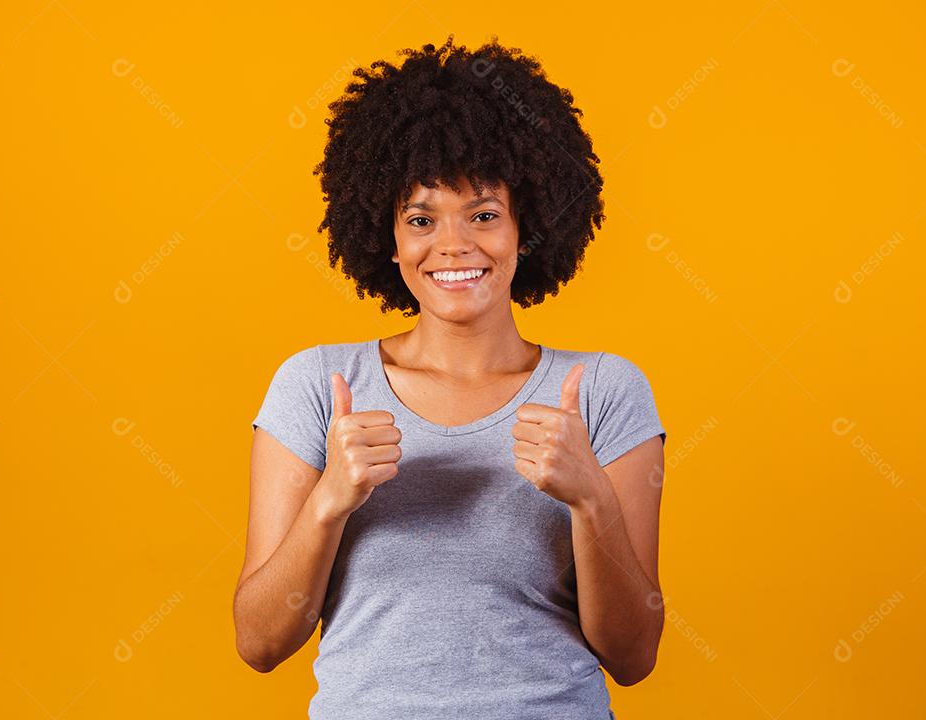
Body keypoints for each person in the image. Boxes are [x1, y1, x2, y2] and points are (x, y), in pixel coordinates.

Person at [233, 34, 667, 720]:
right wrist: (329, 502)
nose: (454, 245)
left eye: (484, 215)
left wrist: (592, 500)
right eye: (421, 218)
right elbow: (259, 642)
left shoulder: (604, 393)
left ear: (527, 228)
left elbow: (634, 656)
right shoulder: (317, 385)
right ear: (389, 237)